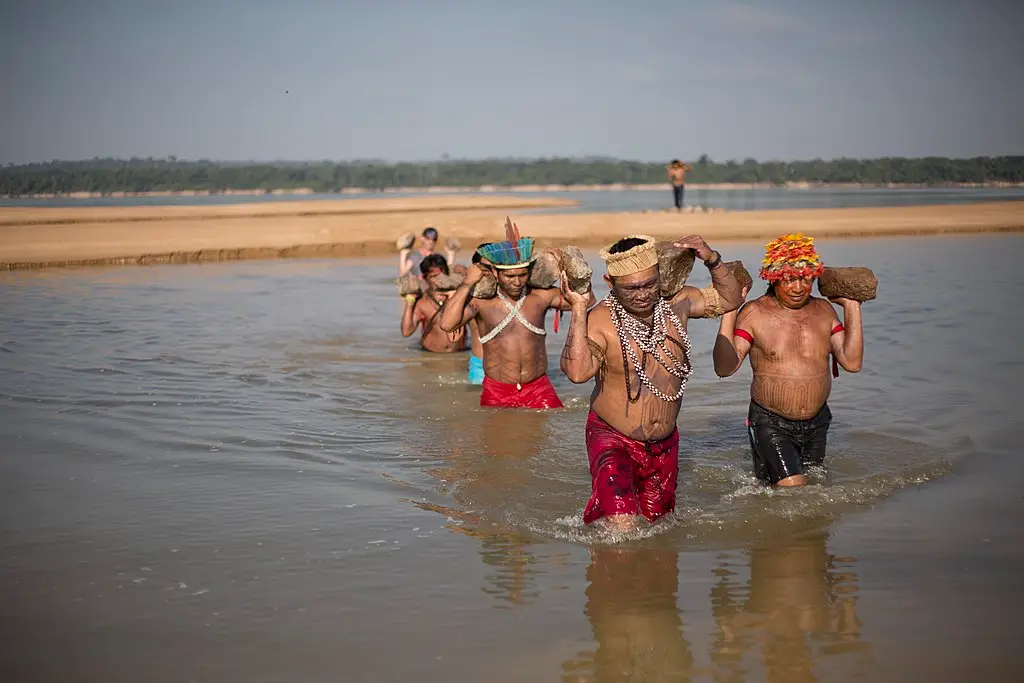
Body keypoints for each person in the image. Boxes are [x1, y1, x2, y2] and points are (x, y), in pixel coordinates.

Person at [559, 234, 743, 528]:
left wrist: (712, 258)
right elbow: (578, 373)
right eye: (631, 288)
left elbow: (730, 299)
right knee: (622, 526)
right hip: (613, 438)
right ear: (610, 283)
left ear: (659, 275)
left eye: (649, 284)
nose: (642, 294)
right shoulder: (600, 319)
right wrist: (579, 308)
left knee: (658, 530)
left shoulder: (678, 304)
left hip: (664, 444)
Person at [712, 233, 864, 487]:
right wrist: (730, 311)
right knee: (795, 490)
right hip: (771, 422)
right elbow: (724, 368)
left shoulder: (824, 311)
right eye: (789, 279)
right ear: (773, 279)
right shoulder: (755, 313)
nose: (798, 287)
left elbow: (852, 362)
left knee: (808, 490)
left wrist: (851, 306)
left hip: (818, 421)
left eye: (805, 279)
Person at [439, 221, 595, 409]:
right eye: (510, 277)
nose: (517, 282)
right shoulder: (482, 303)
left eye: (522, 275)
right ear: (496, 273)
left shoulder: (539, 296)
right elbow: (447, 324)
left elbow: (587, 300)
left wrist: (567, 268)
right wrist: (467, 283)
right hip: (497, 390)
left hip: (538, 387)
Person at [400, 253, 468, 353]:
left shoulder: (459, 297)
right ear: (425, 277)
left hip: (459, 355)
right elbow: (406, 332)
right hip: (431, 356)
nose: (439, 280)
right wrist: (409, 301)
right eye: (434, 276)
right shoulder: (422, 302)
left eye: (442, 275)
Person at [465, 244, 489, 385]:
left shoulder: (512, 291)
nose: (490, 272)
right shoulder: (468, 296)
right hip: (479, 366)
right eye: (485, 267)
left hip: (509, 367)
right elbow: (449, 330)